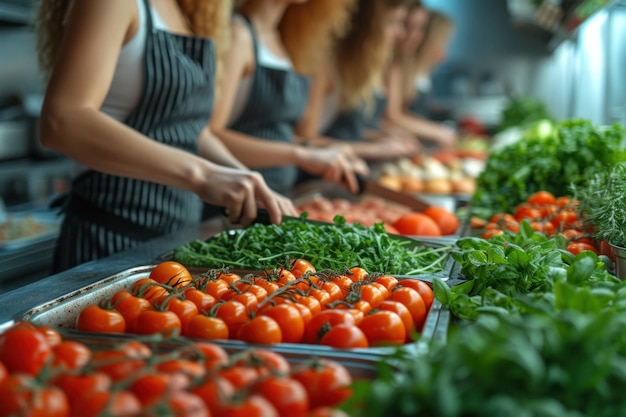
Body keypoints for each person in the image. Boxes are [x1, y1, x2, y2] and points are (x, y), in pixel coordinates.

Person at [37, 0, 294, 272]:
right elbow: (62, 121)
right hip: (107, 243)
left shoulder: (188, 13)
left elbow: (195, 130)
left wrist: (246, 179)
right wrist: (202, 175)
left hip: (176, 243)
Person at [209, 0, 367, 199]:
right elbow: (211, 134)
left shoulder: (284, 40)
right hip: (238, 200)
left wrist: (320, 148)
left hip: (278, 197)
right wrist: (300, 155)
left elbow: (276, 133)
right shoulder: (239, 35)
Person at [297, 0, 421, 162]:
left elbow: (349, 133)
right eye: (392, 23)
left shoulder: (354, 70)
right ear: (365, 28)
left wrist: (382, 138)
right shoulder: (325, 67)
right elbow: (305, 140)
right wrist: (373, 149)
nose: (400, 33)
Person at [382, 6, 457, 148]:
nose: (408, 34)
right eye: (407, 26)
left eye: (419, 28)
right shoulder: (395, 66)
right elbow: (392, 116)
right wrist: (438, 132)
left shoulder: (400, 67)